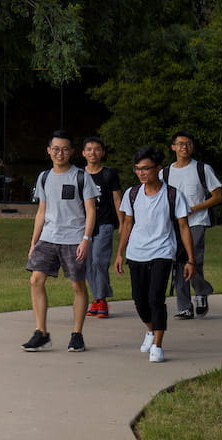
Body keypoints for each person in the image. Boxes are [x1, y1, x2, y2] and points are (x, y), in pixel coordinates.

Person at [111, 147, 197, 363]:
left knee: (155, 299)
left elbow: (184, 227)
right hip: (136, 253)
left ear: (158, 169)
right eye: (138, 169)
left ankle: (158, 345)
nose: (141, 173)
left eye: (146, 169)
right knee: (140, 301)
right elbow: (128, 224)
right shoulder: (132, 193)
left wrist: (190, 259)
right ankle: (150, 330)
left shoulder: (173, 195)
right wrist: (120, 253)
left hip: (162, 252)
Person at [22, 130, 98, 352]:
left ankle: (77, 334)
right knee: (35, 280)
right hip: (48, 237)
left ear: (72, 152)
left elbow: (91, 210)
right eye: (55, 149)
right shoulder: (44, 177)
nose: (60, 153)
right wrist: (33, 241)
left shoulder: (82, 177)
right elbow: (41, 211)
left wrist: (86, 239)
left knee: (77, 285)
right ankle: (41, 332)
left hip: (74, 238)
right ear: (48, 151)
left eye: (64, 149)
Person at [161, 131, 222, 318]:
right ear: (173, 147)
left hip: (196, 221)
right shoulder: (165, 172)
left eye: (188, 144)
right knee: (177, 262)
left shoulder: (202, 169)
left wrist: (195, 208)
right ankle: (184, 306)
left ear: (192, 147)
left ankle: (201, 292)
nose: (184, 147)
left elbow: (218, 196)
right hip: (173, 224)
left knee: (192, 259)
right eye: (180, 144)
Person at [80, 136, 122, 319]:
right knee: (87, 263)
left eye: (97, 149)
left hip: (104, 222)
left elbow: (117, 199)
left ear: (102, 152)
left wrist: (122, 223)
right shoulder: (78, 175)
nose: (93, 152)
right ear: (83, 153)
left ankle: (101, 298)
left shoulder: (109, 174)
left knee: (99, 260)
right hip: (84, 225)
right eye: (89, 149)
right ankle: (96, 299)